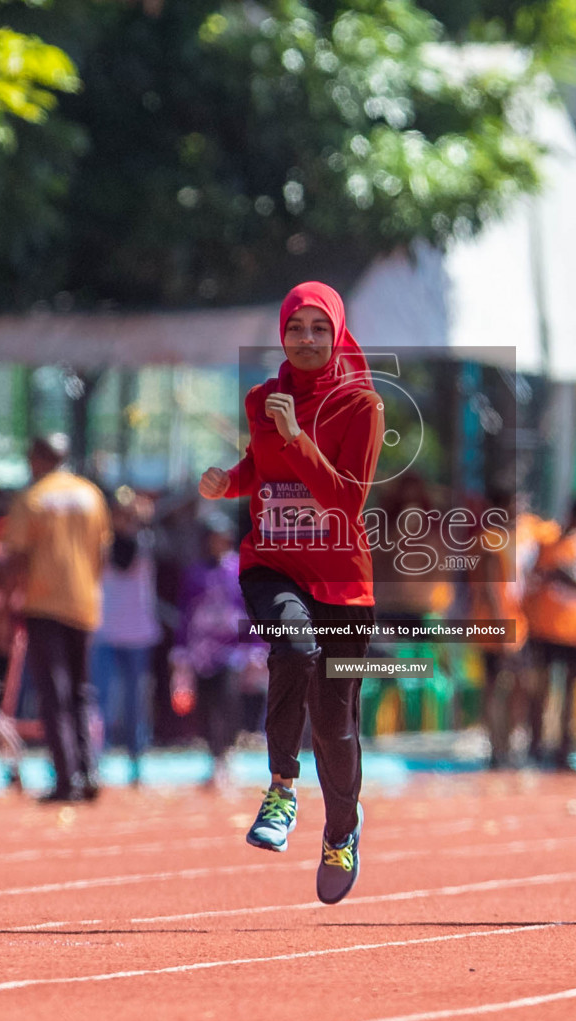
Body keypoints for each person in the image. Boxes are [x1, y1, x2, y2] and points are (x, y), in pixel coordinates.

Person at [198, 280, 382, 905]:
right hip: (272, 564)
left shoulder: (362, 406)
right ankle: (281, 786)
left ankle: (341, 832)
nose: (306, 340)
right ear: (282, 332)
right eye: (296, 328)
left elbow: (348, 500)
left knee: (335, 724)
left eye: (318, 329)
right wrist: (230, 481)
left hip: (343, 580)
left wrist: (299, 436)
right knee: (293, 649)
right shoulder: (262, 399)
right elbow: (263, 469)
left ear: (337, 334)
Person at [2, 435, 111, 803]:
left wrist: (6, 604)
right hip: (83, 605)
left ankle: (67, 779)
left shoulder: (32, 498)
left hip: (45, 602)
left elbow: (17, 556)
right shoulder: (91, 495)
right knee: (81, 692)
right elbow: (103, 549)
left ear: (39, 458)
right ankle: (89, 772)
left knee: (54, 694)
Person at [170, 515, 256, 789]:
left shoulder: (239, 570)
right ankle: (214, 757)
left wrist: (255, 647)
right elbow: (185, 614)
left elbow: (250, 610)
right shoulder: (196, 574)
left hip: (231, 652)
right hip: (202, 654)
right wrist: (180, 651)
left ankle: (228, 754)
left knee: (228, 701)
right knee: (206, 706)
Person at [91, 486, 162, 783]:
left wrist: (145, 521)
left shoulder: (147, 541)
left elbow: (162, 547)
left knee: (135, 702)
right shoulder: (99, 545)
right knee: (101, 700)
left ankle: (136, 759)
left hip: (138, 633)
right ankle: (96, 758)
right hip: (104, 631)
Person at [522, 497, 576, 769]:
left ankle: (564, 747)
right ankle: (537, 744)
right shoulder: (548, 539)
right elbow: (534, 573)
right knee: (540, 688)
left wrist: (568, 575)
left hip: (575, 631)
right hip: (545, 628)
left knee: (569, 692)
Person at [468, 486, 531, 769]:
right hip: (498, 626)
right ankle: (498, 748)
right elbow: (492, 590)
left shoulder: (503, 538)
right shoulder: (491, 541)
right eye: (514, 504)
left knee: (508, 686)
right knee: (499, 687)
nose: (518, 509)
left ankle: (504, 745)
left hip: (508, 623)